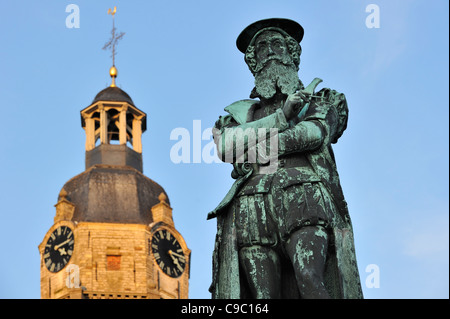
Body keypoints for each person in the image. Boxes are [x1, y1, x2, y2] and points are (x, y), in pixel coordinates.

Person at [208, 18, 363, 299]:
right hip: (251, 204)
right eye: (262, 47)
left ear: (292, 53)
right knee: (262, 297)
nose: (270, 51)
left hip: (303, 195)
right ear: (253, 62)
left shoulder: (322, 98)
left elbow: (313, 134)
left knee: (311, 280)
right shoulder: (237, 114)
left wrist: (253, 148)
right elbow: (226, 146)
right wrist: (282, 118)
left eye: (277, 44)